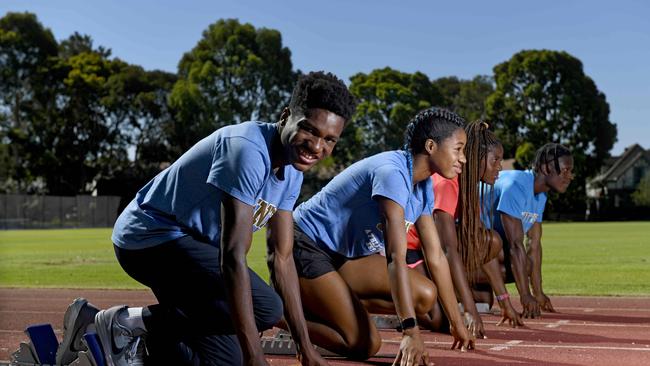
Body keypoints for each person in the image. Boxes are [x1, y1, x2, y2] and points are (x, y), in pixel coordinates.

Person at [57, 71, 357, 366]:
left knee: (224, 359)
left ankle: (109, 336)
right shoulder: (248, 150)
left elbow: (283, 258)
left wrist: (305, 348)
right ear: (286, 115)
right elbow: (233, 257)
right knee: (266, 309)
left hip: (192, 250)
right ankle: (124, 322)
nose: (317, 147)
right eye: (310, 130)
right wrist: (256, 356)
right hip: (151, 238)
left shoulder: (292, 171)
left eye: (330, 140)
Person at [291, 107, 474, 366]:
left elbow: (436, 257)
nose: (463, 159)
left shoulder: (423, 186)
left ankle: (324, 307)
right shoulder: (392, 173)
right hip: (306, 244)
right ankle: (280, 314)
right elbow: (395, 258)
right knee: (365, 344)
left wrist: (457, 323)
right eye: (458, 149)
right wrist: (410, 330)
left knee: (424, 295)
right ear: (431, 146)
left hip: (345, 256)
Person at [405, 121, 523, 339]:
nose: (500, 167)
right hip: (411, 252)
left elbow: (478, 243)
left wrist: (504, 300)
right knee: (442, 320)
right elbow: (448, 250)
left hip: (433, 255)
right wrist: (469, 311)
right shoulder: (447, 183)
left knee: (491, 242)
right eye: (494, 160)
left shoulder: (468, 189)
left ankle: (450, 293)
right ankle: (401, 303)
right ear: (476, 159)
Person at [482, 143, 574, 318]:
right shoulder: (515, 186)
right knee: (502, 251)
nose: (570, 176)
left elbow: (534, 244)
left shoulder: (541, 195)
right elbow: (516, 245)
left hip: (485, 252)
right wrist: (525, 295)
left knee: (526, 265)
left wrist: (537, 293)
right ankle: (456, 283)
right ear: (546, 168)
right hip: (461, 244)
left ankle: (473, 292)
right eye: (565, 170)